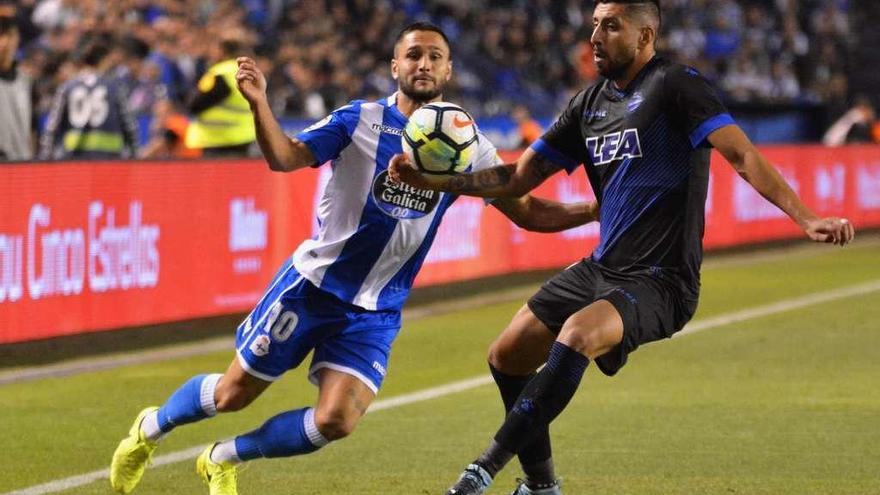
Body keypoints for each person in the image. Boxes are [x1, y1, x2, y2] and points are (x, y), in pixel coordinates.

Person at [110, 22, 598, 495]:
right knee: (232, 395)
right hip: (313, 288)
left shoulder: (469, 145)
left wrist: (598, 209)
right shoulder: (358, 120)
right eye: (413, 55)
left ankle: (222, 458)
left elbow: (528, 211)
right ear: (394, 66)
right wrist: (260, 105)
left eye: (434, 57)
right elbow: (286, 157)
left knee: (336, 420)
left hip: (377, 310)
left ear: (449, 71)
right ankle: (150, 427)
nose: (423, 64)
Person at [389, 2, 855, 494]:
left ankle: (478, 474)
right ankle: (542, 487)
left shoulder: (677, 86)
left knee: (576, 335)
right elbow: (517, 178)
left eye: (611, 26)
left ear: (645, 35)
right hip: (602, 266)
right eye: (594, 24)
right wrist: (438, 181)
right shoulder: (587, 105)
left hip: (662, 278)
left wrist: (805, 216)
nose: (596, 35)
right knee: (507, 354)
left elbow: (741, 154)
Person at [38, 32, 138, 160]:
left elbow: (51, 128)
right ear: (105, 60)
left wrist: (45, 159)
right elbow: (129, 127)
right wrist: (134, 157)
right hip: (110, 161)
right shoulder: (115, 88)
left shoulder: (67, 87)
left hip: (73, 160)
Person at [183, 33, 257, 157]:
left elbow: (196, 105)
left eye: (214, 49)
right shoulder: (246, 71)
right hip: (243, 136)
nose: (211, 53)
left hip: (218, 139)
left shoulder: (221, 73)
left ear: (222, 51)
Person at [0, 0, 36, 161]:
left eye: (9, 35)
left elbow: (32, 129)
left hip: (22, 167)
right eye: (1, 36)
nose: (5, 43)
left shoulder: (26, 81)